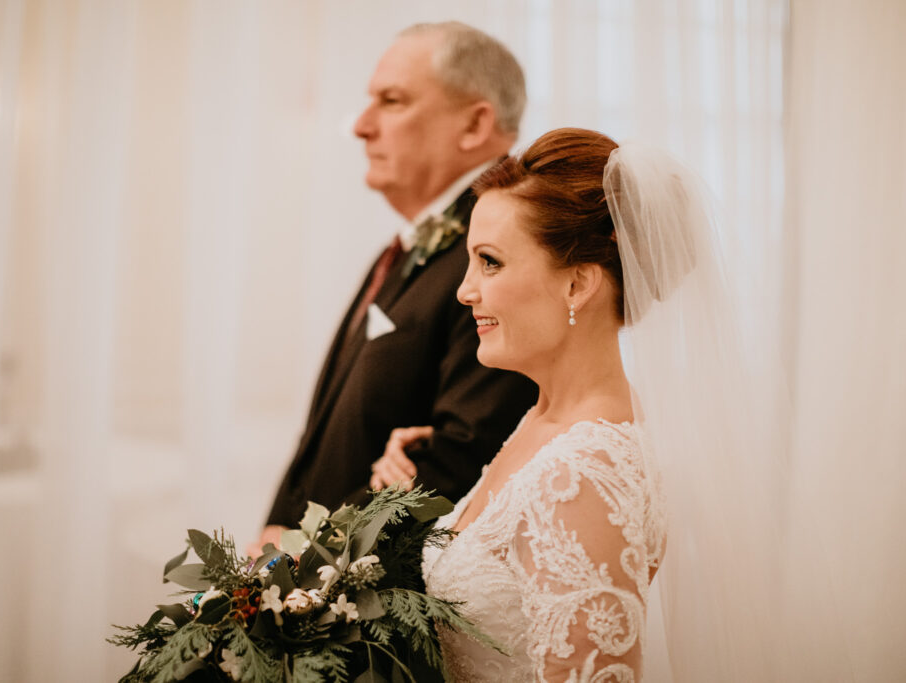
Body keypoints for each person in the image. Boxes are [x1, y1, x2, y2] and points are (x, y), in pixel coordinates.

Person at [374, 127, 806, 681]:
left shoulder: (586, 474)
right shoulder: (543, 422)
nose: (465, 290)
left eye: (490, 262)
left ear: (578, 284)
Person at [249, 22, 537, 557]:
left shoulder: (504, 255)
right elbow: (328, 431)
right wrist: (274, 536)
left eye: (392, 101)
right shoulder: (408, 247)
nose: (361, 126)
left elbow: (460, 458)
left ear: (475, 124)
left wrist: (300, 558)